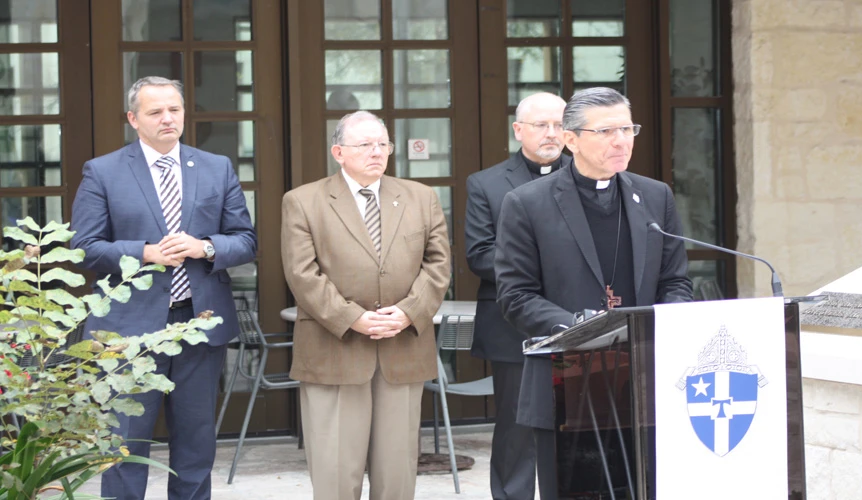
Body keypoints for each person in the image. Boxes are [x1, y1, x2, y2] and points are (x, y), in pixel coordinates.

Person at [494, 87, 693, 499]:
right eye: (606, 131)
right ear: (571, 139)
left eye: (627, 129)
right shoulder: (527, 203)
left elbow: (675, 282)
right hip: (565, 382)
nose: (621, 141)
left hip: (644, 381)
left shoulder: (655, 196)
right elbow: (516, 295)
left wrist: (665, 322)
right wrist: (582, 328)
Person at [70, 76, 257, 499]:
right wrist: (145, 253)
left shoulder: (216, 167)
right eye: (155, 112)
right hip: (127, 331)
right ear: (133, 119)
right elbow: (83, 248)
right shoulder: (103, 171)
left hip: (198, 325)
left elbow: (246, 240)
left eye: (174, 109)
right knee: (125, 443)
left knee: (196, 442)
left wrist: (205, 246)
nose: (167, 118)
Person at [281, 111, 451, 500]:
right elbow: (302, 274)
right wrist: (352, 317)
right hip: (334, 350)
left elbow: (439, 265)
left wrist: (409, 311)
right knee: (336, 475)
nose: (377, 152)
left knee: (397, 476)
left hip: (402, 348)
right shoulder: (303, 201)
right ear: (338, 152)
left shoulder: (421, 197)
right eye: (364, 145)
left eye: (382, 144)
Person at [464, 91, 569, 500]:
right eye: (542, 125)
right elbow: (480, 255)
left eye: (559, 125)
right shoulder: (486, 184)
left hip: (577, 318)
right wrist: (544, 271)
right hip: (513, 325)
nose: (552, 133)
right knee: (517, 426)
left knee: (578, 423)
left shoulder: (586, 177)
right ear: (518, 130)